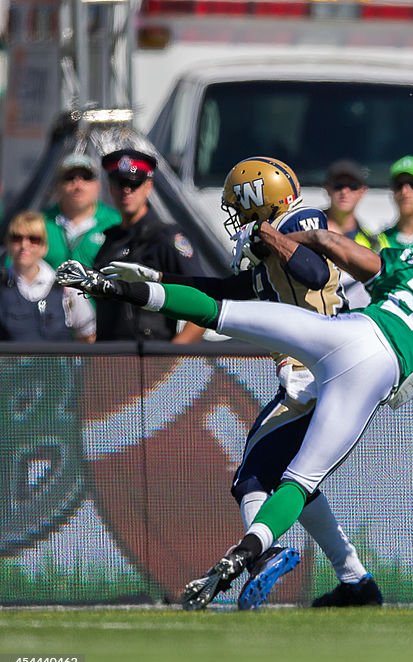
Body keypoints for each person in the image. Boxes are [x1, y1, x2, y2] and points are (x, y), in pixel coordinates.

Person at [57, 220, 413, 611]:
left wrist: (282, 237)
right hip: (369, 379)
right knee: (299, 481)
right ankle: (246, 556)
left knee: (220, 313)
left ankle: (109, 286)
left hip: (340, 336)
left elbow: (331, 243)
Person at [101, 156, 382, 609]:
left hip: (313, 372)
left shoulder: (298, 221)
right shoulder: (274, 240)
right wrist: (157, 281)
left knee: (252, 477)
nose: (236, 217)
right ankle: (356, 583)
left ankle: (262, 558)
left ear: (259, 200)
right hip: (319, 371)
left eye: (240, 205)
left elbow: (311, 270)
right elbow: (230, 290)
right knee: (296, 481)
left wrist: (270, 236)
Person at [93, 148, 206, 343]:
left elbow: (204, 302)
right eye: (120, 183)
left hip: (150, 354)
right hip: (108, 357)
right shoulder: (110, 240)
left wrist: (171, 354)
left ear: (148, 186)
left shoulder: (166, 238)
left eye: (133, 184)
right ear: (110, 188)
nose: (126, 190)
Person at [0, 211, 95, 342]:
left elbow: (88, 336)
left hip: (57, 363)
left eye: (33, 239)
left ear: (44, 247)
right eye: (17, 238)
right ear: (8, 243)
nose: (24, 245)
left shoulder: (67, 289)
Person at [322, 159, 390, 308]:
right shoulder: (307, 227)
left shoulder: (376, 242)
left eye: (352, 186)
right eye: (338, 186)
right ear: (327, 188)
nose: (344, 192)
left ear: (362, 191)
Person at [41, 153, 120, 270]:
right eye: (69, 177)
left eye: (86, 177)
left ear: (98, 186)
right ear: (58, 186)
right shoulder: (39, 222)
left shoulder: (117, 222)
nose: (78, 185)